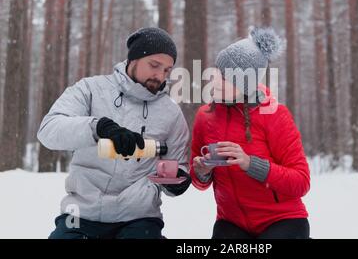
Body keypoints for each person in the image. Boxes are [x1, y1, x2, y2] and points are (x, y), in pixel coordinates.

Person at [38, 27, 191, 239]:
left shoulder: (171, 113)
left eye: (167, 70)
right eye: (154, 65)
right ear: (133, 60)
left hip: (139, 217)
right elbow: (48, 131)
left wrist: (178, 180)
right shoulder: (91, 89)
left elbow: (177, 165)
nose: (160, 75)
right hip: (81, 213)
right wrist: (96, 127)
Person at [190, 27, 311, 239]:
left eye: (227, 78)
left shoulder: (275, 115)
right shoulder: (205, 116)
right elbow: (199, 182)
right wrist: (202, 171)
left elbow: (301, 182)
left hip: (282, 220)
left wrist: (249, 163)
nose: (216, 81)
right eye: (218, 71)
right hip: (231, 222)